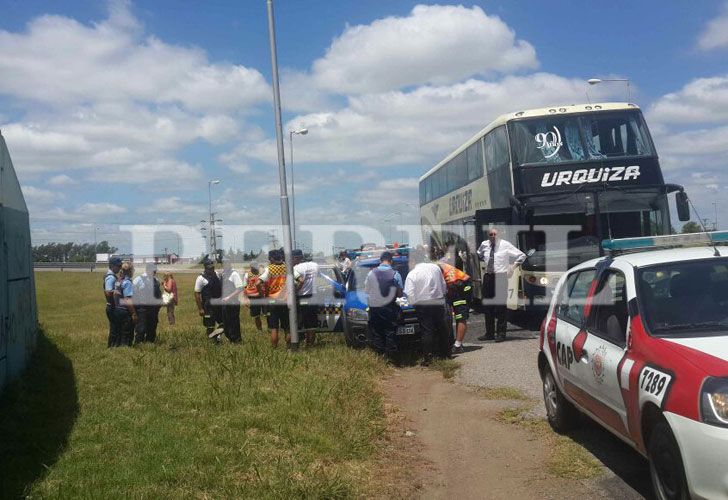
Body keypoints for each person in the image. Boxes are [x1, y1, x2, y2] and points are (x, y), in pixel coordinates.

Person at [476, 228, 526, 342]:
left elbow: (522, 256)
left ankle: (501, 333)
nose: (493, 236)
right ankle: (489, 333)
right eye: (490, 234)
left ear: (499, 235)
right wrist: (485, 260)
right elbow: (479, 254)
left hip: (500, 277)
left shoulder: (505, 245)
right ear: (488, 236)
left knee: (500, 307)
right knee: (487, 306)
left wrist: (512, 268)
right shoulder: (484, 244)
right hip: (488, 276)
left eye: (495, 234)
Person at [404, 250, 449, 364]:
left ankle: (428, 357)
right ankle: (446, 354)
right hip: (438, 301)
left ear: (413, 261)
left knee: (427, 331)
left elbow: (410, 294)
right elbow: (443, 285)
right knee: (442, 328)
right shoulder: (435, 268)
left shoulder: (412, 274)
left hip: (423, 304)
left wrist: (415, 304)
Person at [364, 251, 404, 362]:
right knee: (390, 332)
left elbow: (366, 291)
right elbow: (400, 294)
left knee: (377, 332)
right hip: (389, 307)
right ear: (391, 261)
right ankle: (391, 359)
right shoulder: (395, 274)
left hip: (375, 307)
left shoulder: (371, 273)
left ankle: (379, 359)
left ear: (380, 261)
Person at [438, 260, 472, 354]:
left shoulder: (436, 267)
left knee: (460, 317)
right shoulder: (435, 264)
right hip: (454, 286)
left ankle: (457, 345)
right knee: (455, 316)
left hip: (460, 286)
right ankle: (456, 343)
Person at [258, 249, 289, 348]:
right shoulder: (286, 268)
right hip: (285, 300)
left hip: (272, 300)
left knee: (274, 327)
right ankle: (289, 347)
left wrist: (261, 294)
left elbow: (258, 283)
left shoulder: (269, 269)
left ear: (271, 259)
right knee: (287, 327)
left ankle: (274, 348)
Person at [292, 249, 320, 346]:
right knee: (312, 323)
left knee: (300, 321)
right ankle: (310, 344)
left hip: (301, 297)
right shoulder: (315, 265)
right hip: (313, 296)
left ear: (296, 258)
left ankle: (299, 342)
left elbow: (299, 282)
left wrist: (295, 292)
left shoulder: (296, 268)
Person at [194, 256, 224, 342]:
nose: (212, 270)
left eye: (213, 267)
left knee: (224, 323)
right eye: (209, 268)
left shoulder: (217, 274)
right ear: (205, 268)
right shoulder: (200, 278)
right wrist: (200, 309)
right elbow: (196, 294)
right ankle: (212, 342)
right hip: (208, 306)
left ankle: (216, 336)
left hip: (219, 304)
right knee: (210, 326)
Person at [133, 263, 163, 344]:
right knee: (141, 328)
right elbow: (133, 294)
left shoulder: (156, 280)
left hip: (153, 308)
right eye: (154, 270)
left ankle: (150, 343)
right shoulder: (138, 280)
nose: (155, 272)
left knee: (152, 327)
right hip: (142, 308)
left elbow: (158, 293)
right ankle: (139, 344)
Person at [112, 262, 137, 347]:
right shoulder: (127, 282)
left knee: (118, 332)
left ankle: (117, 347)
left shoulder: (119, 280)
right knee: (126, 333)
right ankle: (125, 349)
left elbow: (115, 294)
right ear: (130, 271)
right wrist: (133, 313)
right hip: (125, 311)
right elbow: (127, 299)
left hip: (117, 309)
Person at [220, 259, 243, 343]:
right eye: (223, 264)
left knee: (233, 322)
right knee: (226, 322)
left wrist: (229, 297)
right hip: (224, 303)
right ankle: (230, 338)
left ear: (230, 264)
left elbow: (240, 288)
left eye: (227, 263)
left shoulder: (234, 274)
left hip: (233, 303)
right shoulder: (223, 274)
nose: (225, 265)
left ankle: (237, 340)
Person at [104, 256, 123, 347]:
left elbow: (115, 286)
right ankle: (112, 347)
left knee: (116, 327)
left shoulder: (113, 276)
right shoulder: (111, 277)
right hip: (112, 306)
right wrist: (114, 304)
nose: (120, 268)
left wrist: (119, 280)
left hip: (112, 306)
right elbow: (108, 292)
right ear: (112, 266)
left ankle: (114, 346)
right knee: (114, 328)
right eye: (118, 266)